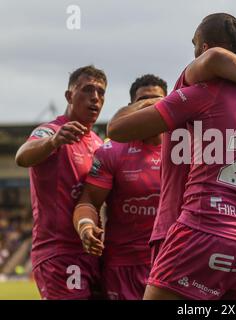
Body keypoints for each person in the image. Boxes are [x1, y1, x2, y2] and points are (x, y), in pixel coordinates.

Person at [107, 14, 236, 300]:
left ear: (202, 48)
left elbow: (116, 130)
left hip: (191, 227)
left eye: (194, 46)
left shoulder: (198, 92)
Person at [15, 65, 107, 299]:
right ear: (69, 96)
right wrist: (54, 142)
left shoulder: (99, 143)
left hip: (94, 251)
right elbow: (22, 156)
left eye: (101, 92)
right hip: (59, 251)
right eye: (87, 90)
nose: (95, 97)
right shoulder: (50, 131)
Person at [72, 74, 167, 300]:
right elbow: (88, 201)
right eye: (144, 102)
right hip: (123, 267)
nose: (151, 108)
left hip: (171, 263)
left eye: (158, 101)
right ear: (130, 108)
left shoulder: (186, 149)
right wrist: (85, 227)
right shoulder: (112, 151)